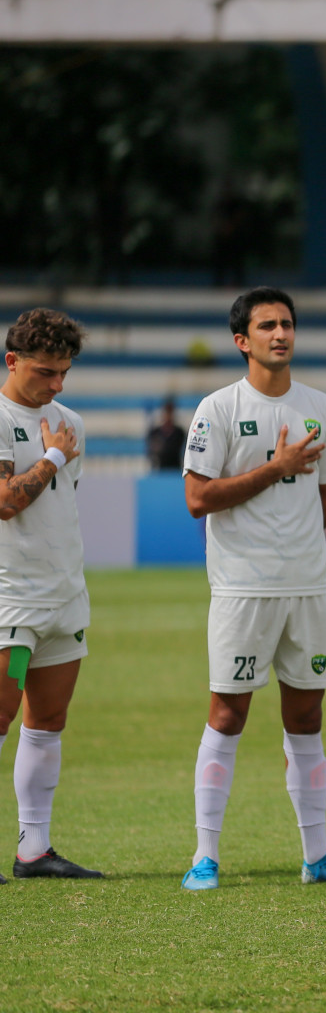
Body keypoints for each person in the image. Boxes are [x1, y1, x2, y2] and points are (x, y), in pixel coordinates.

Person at [179, 287, 326, 891]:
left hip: (307, 587)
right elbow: (197, 499)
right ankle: (204, 856)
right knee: (229, 711)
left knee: (308, 715)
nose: (280, 334)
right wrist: (275, 470)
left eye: (287, 324)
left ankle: (317, 856)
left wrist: (290, 531)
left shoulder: (323, 409)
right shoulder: (218, 408)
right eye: (267, 326)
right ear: (243, 340)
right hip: (241, 588)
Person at [0, 308, 99, 881]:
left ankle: (33, 850)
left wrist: (59, 453)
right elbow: (7, 502)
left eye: (64, 372)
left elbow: (60, 504)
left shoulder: (70, 421)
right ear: (12, 361)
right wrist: (53, 456)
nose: (57, 384)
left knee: (48, 720)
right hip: (10, 601)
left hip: (64, 597)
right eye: (45, 371)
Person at [146, 395, 186, 471]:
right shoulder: (155, 432)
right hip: (160, 470)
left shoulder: (179, 432)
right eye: (166, 412)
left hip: (175, 470)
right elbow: (152, 452)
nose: (168, 415)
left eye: (170, 412)